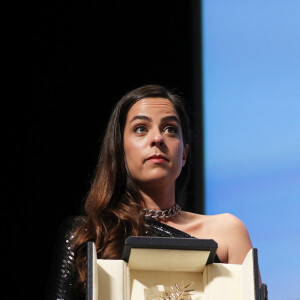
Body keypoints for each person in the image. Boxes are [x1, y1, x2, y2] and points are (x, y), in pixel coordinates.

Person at [44, 84, 265, 300]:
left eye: (170, 129)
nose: (158, 138)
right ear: (120, 150)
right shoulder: (88, 234)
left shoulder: (227, 233)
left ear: (184, 154)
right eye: (141, 128)